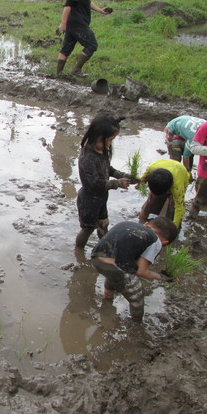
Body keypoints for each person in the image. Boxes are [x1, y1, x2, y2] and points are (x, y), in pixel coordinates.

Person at [91, 217, 178, 322]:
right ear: (164, 242)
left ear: (146, 224)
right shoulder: (156, 241)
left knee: (115, 274)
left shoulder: (129, 224)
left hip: (97, 258)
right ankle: (136, 324)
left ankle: (107, 299)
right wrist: (162, 277)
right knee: (137, 296)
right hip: (114, 267)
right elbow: (141, 271)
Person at [75, 113, 131, 250]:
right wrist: (117, 183)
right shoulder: (87, 157)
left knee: (103, 224)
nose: (110, 144)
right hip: (88, 200)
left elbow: (107, 168)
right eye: (109, 140)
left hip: (101, 198)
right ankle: (79, 252)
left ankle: (105, 250)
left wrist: (120, 175)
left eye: (112, 140)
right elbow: (94, 183)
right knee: (88, 229)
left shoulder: (103, 151)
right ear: (98, 136)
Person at [56, 0, 111, 78]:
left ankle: (58, 75)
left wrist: (101, 11)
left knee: (66, 49)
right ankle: (76, 70)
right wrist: (63, 24)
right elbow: (68, 5)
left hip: (75, 22)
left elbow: (87, 2)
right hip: (77, 23)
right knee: (92, 45)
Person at [137, 160, 190, 229]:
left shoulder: (177, 188)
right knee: (150, 202)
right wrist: (140, 183)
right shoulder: (151, 168)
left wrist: (175, 227)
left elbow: (179, 209)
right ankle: (142, 219)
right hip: (163, 168)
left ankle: (169, 225)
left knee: (172, 208)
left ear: (168, 190)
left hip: (181, 174)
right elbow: (144, 177)